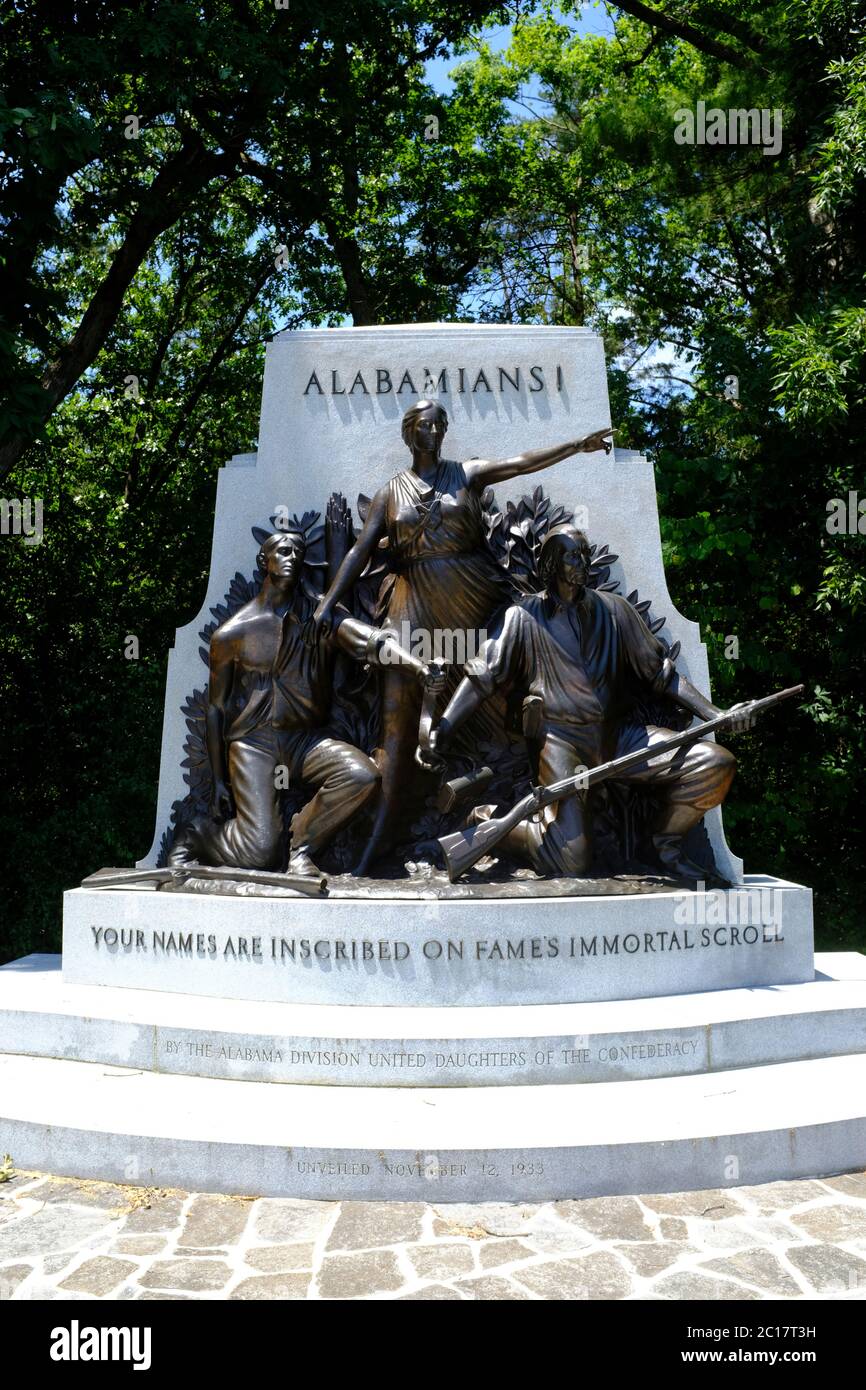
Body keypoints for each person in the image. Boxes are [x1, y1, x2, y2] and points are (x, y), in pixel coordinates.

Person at [308, 399, 614, 871]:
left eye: (441, 424)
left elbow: (519, 463)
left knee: (481, 714)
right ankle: (376, 842)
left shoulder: (466, 474)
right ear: (409, 434)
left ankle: (500, 824)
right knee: (398, 727)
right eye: (426, 425)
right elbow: (362, 550)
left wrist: (576, 445)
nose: (435, 432)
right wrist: (329, 602)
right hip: (412, 612)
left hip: (472, 607)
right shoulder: (391, 493)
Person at [423, 523, 756, 883]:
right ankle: (489, 822)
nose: (583, 562)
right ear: (551, 564)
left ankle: (665, 845)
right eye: (572, 555)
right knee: (571, 861)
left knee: (714, 764)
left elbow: (663, 675)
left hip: (620, 739)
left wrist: (718, 715)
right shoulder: (522, 617)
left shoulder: (615, 610)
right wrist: (445, 726)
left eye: (584, 553)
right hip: (561, 744)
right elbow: (482, 676)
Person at [168, 529, 443, 878]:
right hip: (254, 745)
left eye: (298, 551)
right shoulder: (232, 634)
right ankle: (197, 835)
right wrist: (220, 780)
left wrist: (417, 667)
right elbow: (215, 709)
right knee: (258, 853)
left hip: (303, 741)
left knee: (360, 775)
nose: (292, 557)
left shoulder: (318, 615)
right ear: (263, 561)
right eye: (283, 551)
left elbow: (368, 640)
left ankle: (301, 848)